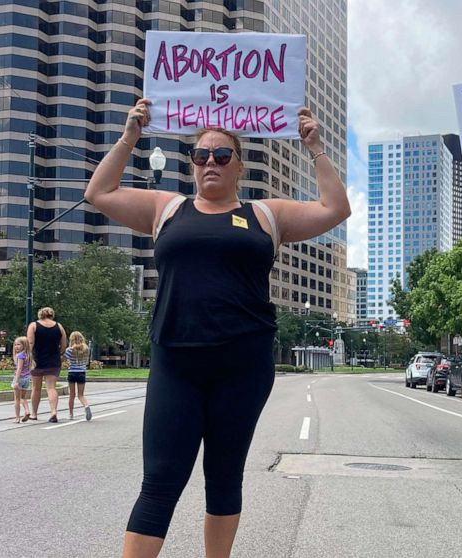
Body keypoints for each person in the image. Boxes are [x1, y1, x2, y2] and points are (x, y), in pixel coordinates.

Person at [85, 98, 350, 558]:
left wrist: (315, 147)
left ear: (239, 166)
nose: (211, 162)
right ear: (192, 164)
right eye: (202, 155)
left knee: (224, 476)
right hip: (176, 362)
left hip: (242, 368)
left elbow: (335, 208)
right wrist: (130, 137)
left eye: (222, 155)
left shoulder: (266, 215)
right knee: (161, 480)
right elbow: (99, 193)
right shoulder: (166, 208)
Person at [27, 307, 68, 423]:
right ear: (52, 315)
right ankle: (53, 412)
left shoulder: (33, 326)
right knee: (51, 387)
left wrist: (28, 357)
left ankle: (34, 414)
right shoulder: (59, 326)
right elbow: (64, 344)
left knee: (36, 388)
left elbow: (30, 343)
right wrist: (58, 353)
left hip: (37, 360)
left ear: (40, 315)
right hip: (53, 360)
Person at [65, 331, 91, 421]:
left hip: (72, 373)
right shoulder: (86, 349)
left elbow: (65, 359)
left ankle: (71, 414)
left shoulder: (69, 350)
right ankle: (86, 406)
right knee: (81, 395)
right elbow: (86, 361)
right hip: (81, 373)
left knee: (72, 395)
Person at [11, 336, 32, 423]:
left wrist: (16, 381)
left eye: (19, 344)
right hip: (27, 379)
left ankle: (17, 418)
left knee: (17, 399)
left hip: (20, 379)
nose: (16, 346)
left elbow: (19, 369)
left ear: (24, 345)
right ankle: (27, 410)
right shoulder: (27, 355)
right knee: (22, 397)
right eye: (15, 345)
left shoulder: (20, 356)